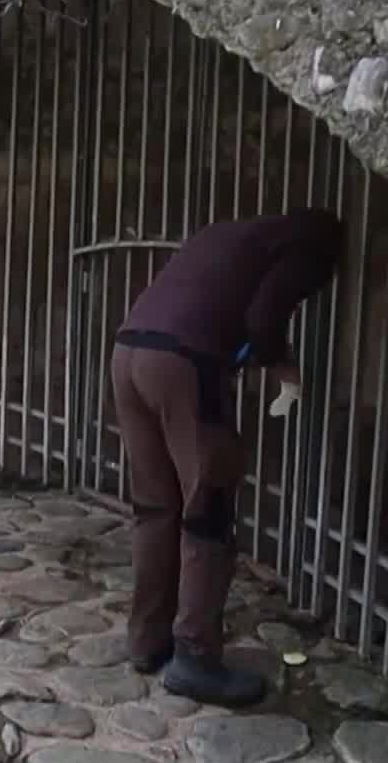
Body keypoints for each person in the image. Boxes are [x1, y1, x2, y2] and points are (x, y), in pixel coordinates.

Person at [112, 205, 342, 707]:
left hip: (128, 353)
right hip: (184, 364)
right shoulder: (313, 247)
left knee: (155, 506)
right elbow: (264, 318)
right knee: (208, 508)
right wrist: (282, 365)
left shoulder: (222, 236)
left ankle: (147, 642)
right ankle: (194, 657)